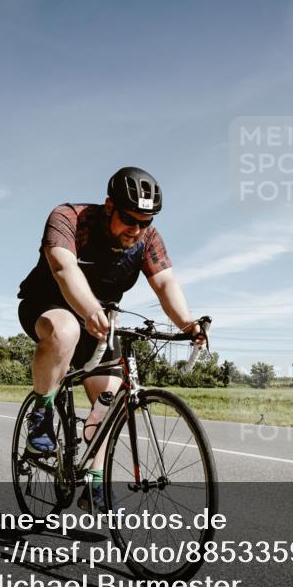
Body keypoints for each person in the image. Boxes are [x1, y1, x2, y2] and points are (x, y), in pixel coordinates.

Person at [16, 166, 205, 511]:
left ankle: (95, 479)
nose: (137, 230)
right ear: (108, 206)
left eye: (145, 222)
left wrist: (188, 323)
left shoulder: (147, 238)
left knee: (109, 396)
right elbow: (64, 269)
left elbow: (165, 283)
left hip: (99, 318)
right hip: (49, 303)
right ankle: (41, 416)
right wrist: (88, 309)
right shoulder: (70, 217)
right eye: (130, 219)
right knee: (66, 330)